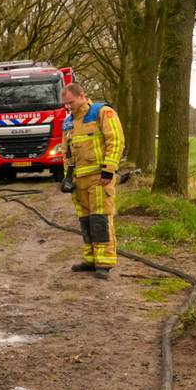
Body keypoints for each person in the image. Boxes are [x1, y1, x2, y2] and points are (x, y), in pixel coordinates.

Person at [62, 81, 124, 280]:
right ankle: (90, 259)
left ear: (81, 95)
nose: (68, 106)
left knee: (100, 219)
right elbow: (67, 153)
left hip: (99, 179)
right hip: (79, 181)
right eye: (66, 104)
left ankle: (104, 263)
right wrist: (67, 178)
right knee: (86, 220)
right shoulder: (69, 123)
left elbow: (115, 140)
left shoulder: (102, 113)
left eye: (70, 102)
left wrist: (108, 170)